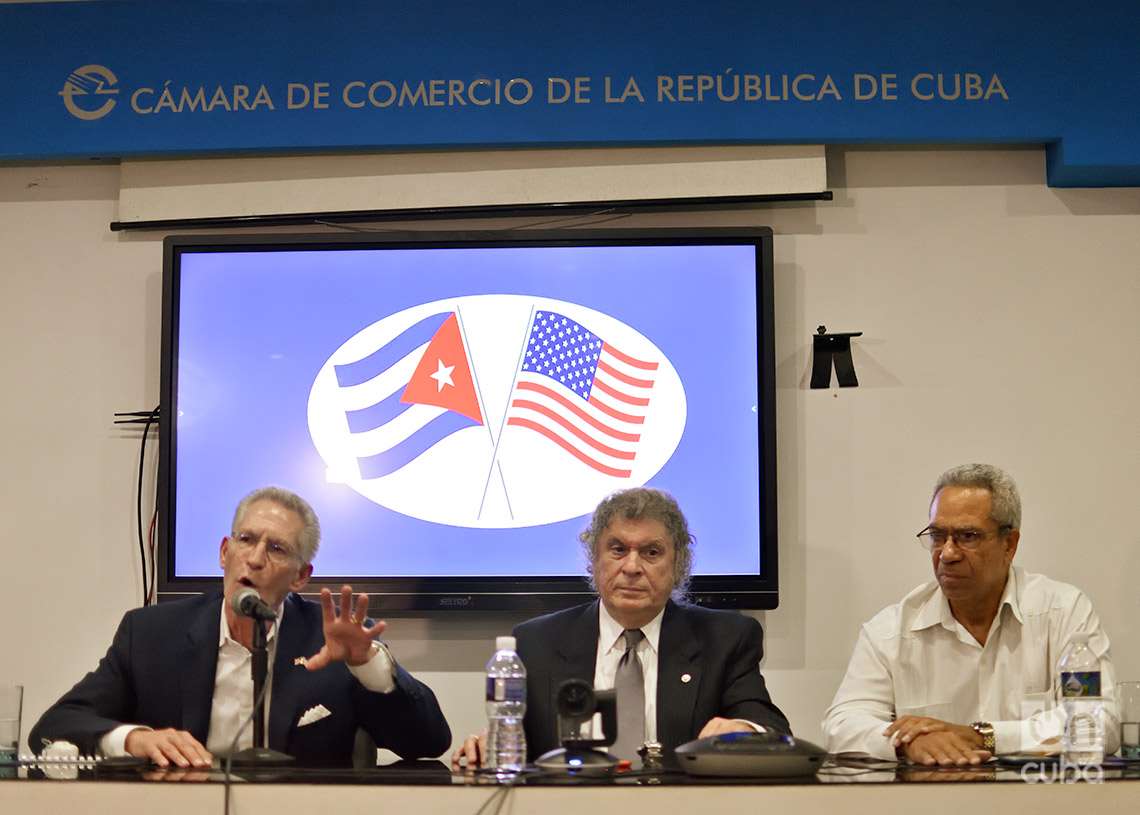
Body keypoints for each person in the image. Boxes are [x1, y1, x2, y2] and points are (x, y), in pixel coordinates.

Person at [30, 486, 451, 767]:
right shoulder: (151, 634)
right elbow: (54, 727)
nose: (254, 559)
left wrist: (367, 665)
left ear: (301, 577)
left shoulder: (335, 640)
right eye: (246, 541)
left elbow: (429, 743)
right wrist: (134, 739)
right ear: (224, 552)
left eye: (277, 548)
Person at [452, 487, 790, 768]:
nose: (631, 567)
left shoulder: (726, 638)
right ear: (595, 560)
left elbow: (771, 727)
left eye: (651, 552)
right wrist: (488, 745)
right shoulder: (536, 642)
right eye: (617, 550)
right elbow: (515, 739)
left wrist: (742, 730)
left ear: (678, 565)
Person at [822, 464, 1119, 765]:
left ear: (1010, 544)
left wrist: (982, 736)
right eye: (937, 536)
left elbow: (1098, 725)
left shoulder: (1063, 612)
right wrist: (909, 741)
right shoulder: (889, 631)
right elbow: (842, 725)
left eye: (968, 536)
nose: (947, 554)